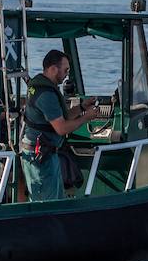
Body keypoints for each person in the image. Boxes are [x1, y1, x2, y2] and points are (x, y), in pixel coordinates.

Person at [20, 50, 99, 201]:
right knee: (46, 203)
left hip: (44, 153)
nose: (67, 74)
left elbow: (59, 117)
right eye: (66, 70)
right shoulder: (46, 94)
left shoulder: (41, 86)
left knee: (53, 198)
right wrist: (86, 118)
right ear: (53, 69)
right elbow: (61, 128)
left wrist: (82, 107)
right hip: (41, 158)